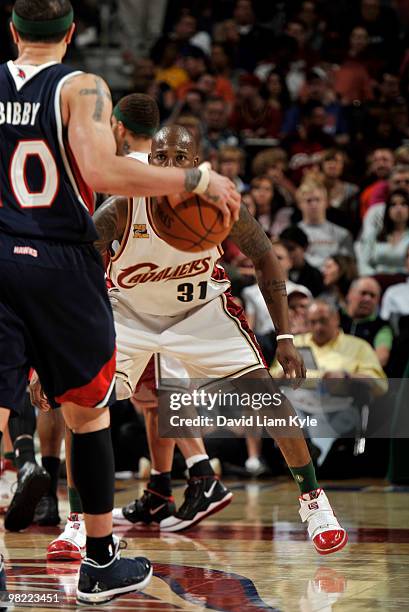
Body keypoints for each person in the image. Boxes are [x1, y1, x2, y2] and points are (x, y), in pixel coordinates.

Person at [2, 0, 239, 605]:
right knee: (88, 408)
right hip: (58, 257)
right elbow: (103, 170)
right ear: (72, 32)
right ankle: (101, 563)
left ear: (12, 31)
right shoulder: (80, 87)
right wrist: (197, 180)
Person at [89, 123, 348, 555]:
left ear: (195, 165)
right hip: (129, 314)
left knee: (268, 401)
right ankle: (80, 522)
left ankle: (315, 503)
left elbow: (264, 255)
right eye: (160, 158)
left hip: (200, 312)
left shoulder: (219, 202)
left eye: (179, 159)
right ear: (150, 161)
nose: (168, 166)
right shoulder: (121, 208)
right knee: (84, 403)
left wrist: (284, 335)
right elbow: (78, 268)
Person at [270, 300, 388, 466]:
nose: (318, 327)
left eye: (323, 321)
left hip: (337, 404)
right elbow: (270, 380)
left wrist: (347, 377)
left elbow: (380, 383)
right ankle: (303, 456)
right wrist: (282, 375)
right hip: (298, 402)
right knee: (279, 408)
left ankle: (313, 456)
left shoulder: (358, 346)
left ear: (336, 319)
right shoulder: (295, 344)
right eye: (313, 322)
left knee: (318, 425)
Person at [296, 180, 354, 270]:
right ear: (299, 204)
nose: (314, 204)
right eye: (309, 200)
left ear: (326, 203)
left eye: (318, 199)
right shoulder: (291, 234)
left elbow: (347, 265)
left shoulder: (342, 233)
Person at [341, 277, 393, 368]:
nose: (367, 299)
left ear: (378, 301)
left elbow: (381, 358)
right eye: (363, 293)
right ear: (349, 294)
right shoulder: (334, 317)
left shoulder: (382, 327)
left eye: (373, 296)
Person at [358, 190, 409, 275]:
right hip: (376, 280)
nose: (398, 209)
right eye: (393, 205)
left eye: (404, 204)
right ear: (387, 210)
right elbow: (363, 263)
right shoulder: (375, 234)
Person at [280, 225, 324, 296]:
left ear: (305, 247)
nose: (286, 254)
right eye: (283, 249)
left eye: (291, 249)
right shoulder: (275, 273)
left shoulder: (315, 276)